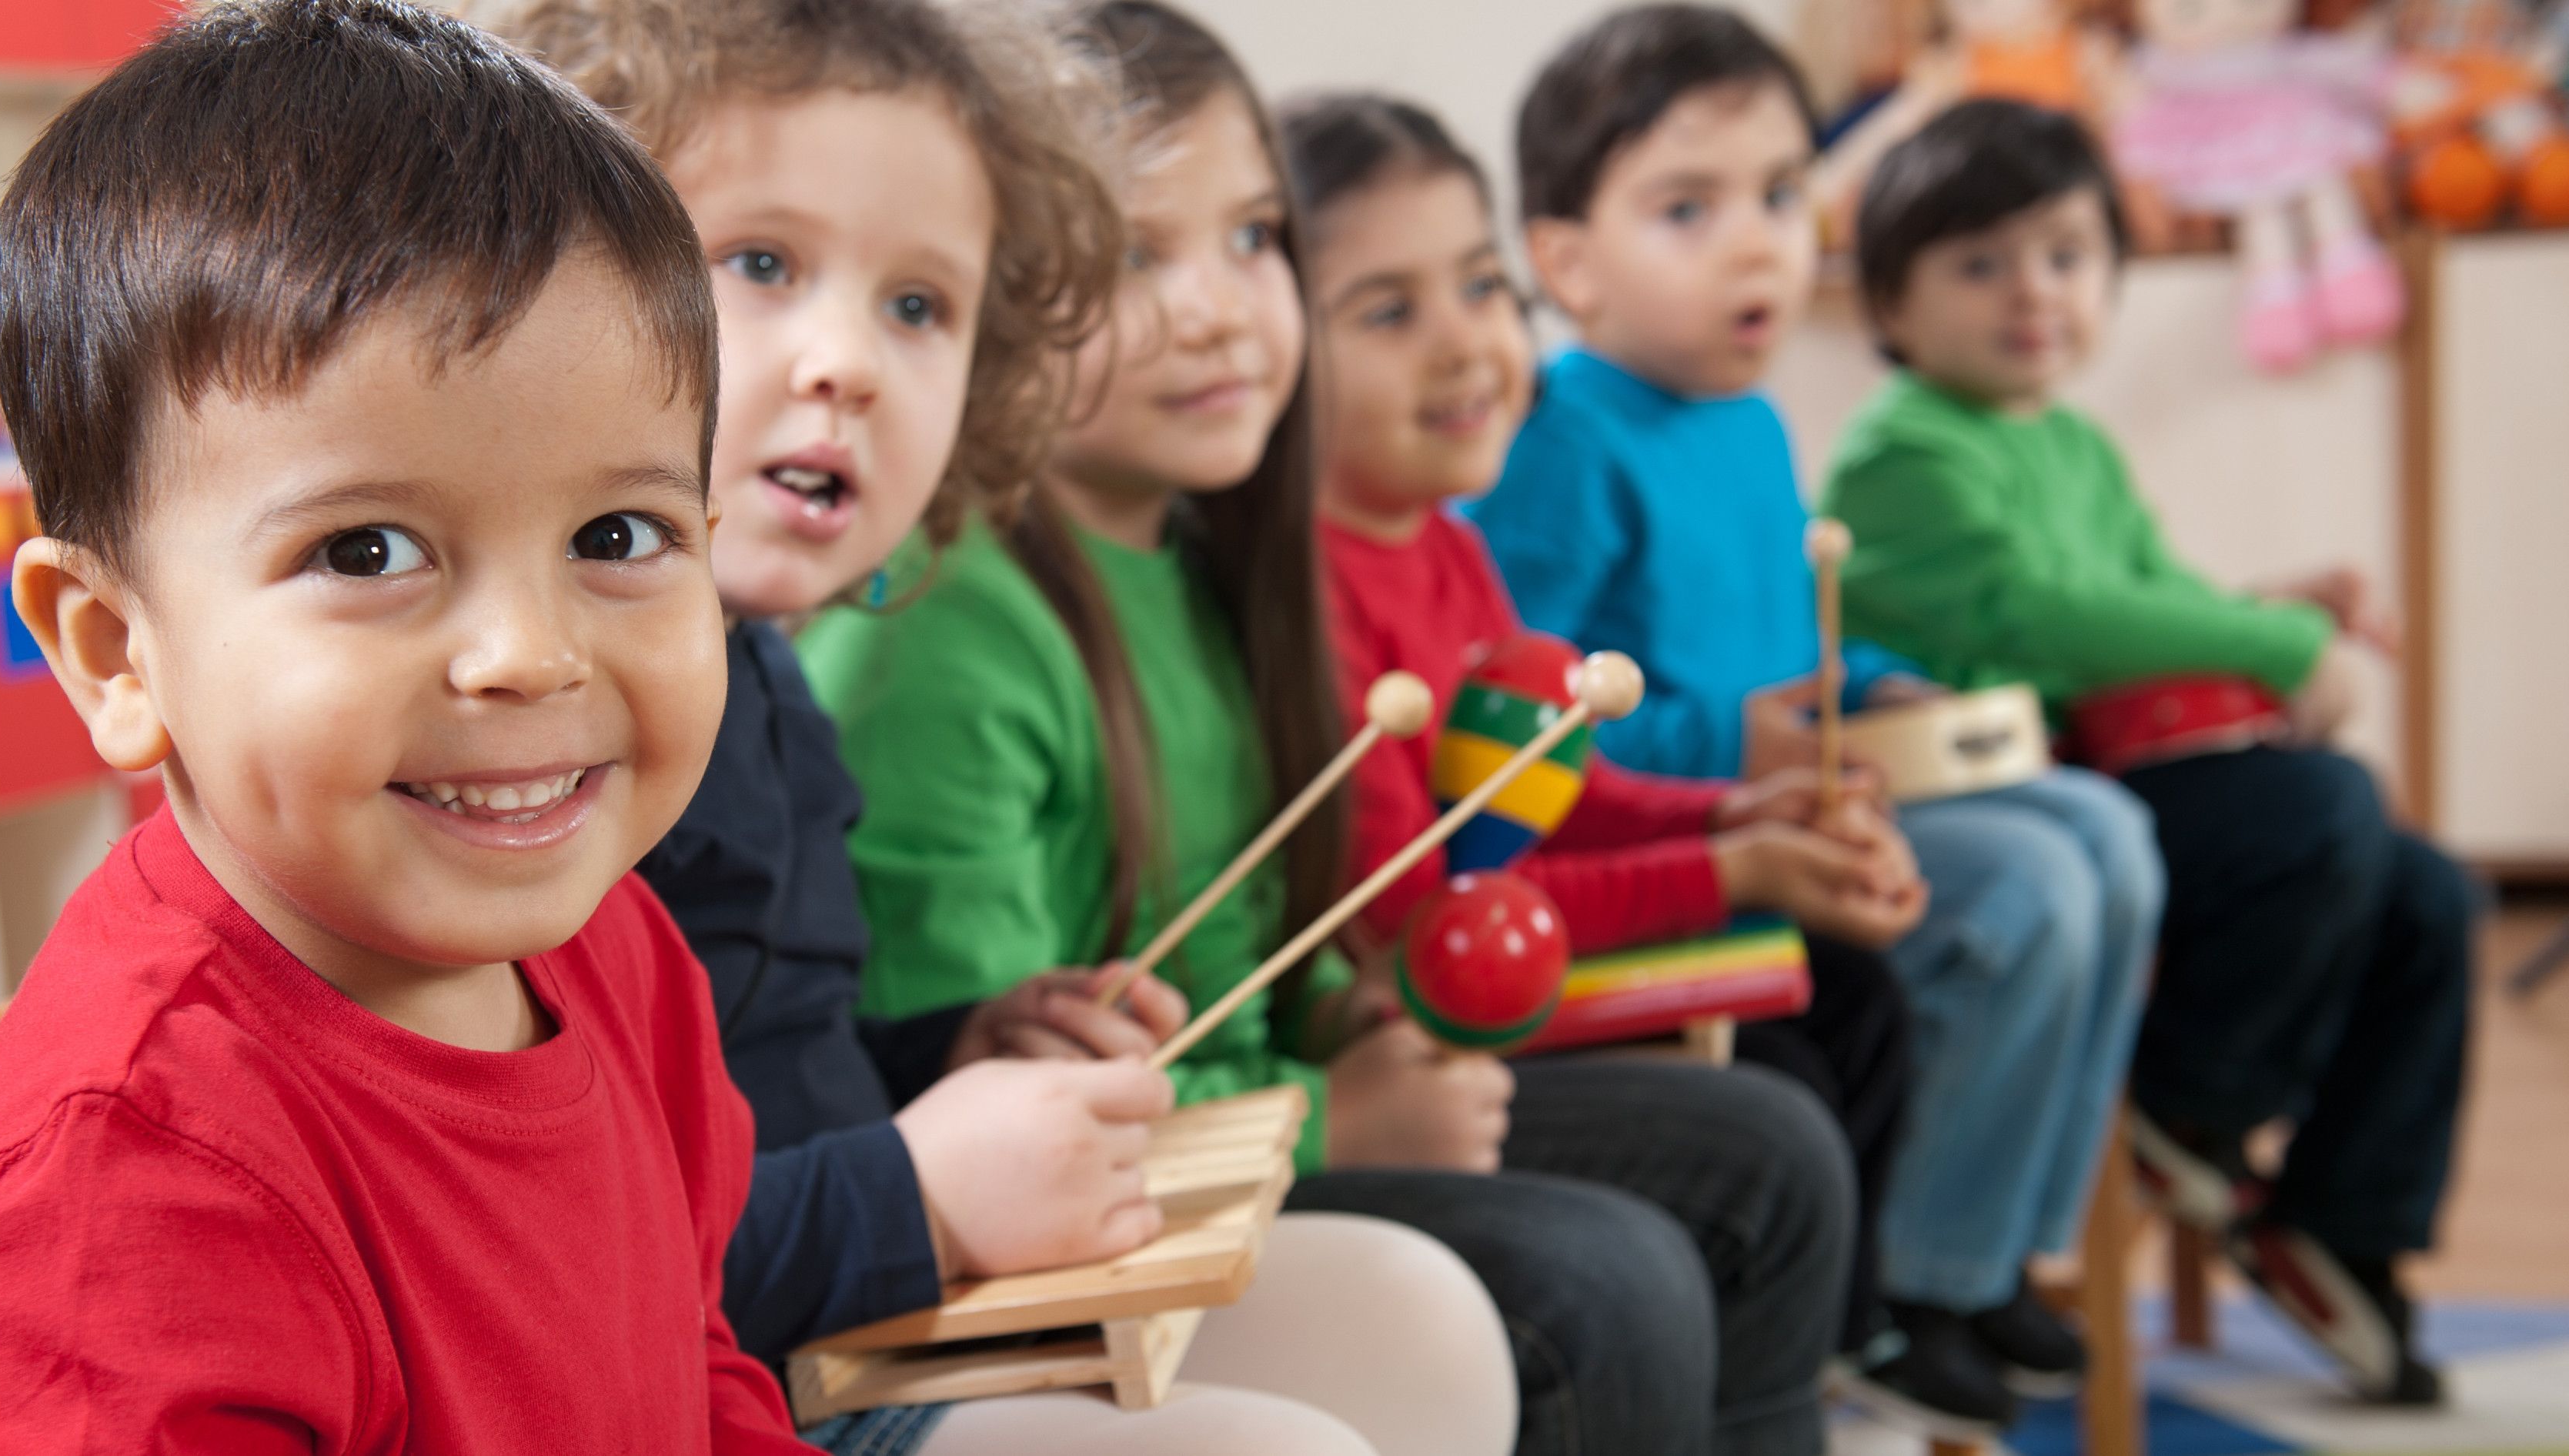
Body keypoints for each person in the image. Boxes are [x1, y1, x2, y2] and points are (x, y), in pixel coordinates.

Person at [804, 7, 1856, 1454]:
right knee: (1603, 1289)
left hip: (1240, 1120)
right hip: (1087, 1219)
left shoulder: (1216, 563)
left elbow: (1263, 951)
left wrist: (1347, 1020)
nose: (1220, 307)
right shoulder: (946, 632)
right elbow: (1007, 1112)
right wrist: (1329, 1110)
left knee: (1770, 1157)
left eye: (1251, 237)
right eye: (1133, 255)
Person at [489, 2, 1519, 1451]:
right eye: (764, 264)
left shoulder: (764, 682)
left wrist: (952, 1051)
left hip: (850, 1302)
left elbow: (778, 1079)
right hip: (728, 1388)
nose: (848, 358)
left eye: (920, 307)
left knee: (1423, 1322)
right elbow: (562, 1263)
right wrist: (914, 1188)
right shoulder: (527, 746)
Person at [0, 2, 805, 1448]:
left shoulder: (607, 943)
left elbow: (698, 1368)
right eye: (365, 554)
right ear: (113, 649)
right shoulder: (118, 1232)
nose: (527, 658)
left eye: (618, 530)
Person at [1465, 6, 2165, 1431]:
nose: (1758, 244)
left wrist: (1882, 679)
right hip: (1704, 833)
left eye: (1784, 195)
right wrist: (1736, 741)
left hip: (1803, 786)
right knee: (2029, 882)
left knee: (2108, 831)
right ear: (1565, 262)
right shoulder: (1559, 436)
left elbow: (1796, 635)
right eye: (1689, 207)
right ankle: (1909, 1282)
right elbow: (1527, 735)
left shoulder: (1754, 422)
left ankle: (1986, 1256)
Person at [1278, 85, 1975, 1436]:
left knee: (1849, 1001)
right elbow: (1419, 916)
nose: (1469, 346)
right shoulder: (1309, 590)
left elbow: (1548, 793)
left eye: (1481, 289)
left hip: (1496, 957)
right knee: (1783, 1097)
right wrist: (1727, 864)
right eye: (1388, 311)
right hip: (1430, 1011)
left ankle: (1825, 1357)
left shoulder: (1448, 548)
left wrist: (1736, 809)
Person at [1824, 97, 2477, 1407]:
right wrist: (2283, 649)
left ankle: (2339, 1214)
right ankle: (2188, 1102)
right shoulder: (1901, 453)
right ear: (1887, 305)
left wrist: (2274, 614)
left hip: (2103, 782)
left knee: (2429, 893)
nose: (2034, 294)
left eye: (2067, 257)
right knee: (2322, 811)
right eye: (1980, 263)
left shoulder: (2072, 444)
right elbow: (2037, 615)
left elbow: (2159, 607)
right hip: (2014, 796)